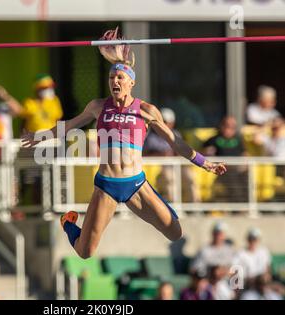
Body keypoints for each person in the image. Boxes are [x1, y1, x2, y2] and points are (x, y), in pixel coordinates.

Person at [21, 27, 226, 259]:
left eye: (120, 78)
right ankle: (68, 222)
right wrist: (39, 137)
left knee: (175, 232)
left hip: (136, 185)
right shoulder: (98, 106)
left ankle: (156, 205)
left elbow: (175, 142)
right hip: (106, 187)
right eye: (111, 77)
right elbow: (68, 125)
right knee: (85, 251)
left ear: (131, 83)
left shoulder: (146, 111)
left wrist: (204, 163)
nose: (114, 81)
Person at [143, 107, 200, 203]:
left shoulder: (176, 134)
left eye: (166, 122)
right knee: (170, 179)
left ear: (172, 123)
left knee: (190, 177)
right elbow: (144, 155)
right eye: (162, 121)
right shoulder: (150, 136)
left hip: (176, 165)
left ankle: (195, 207)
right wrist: (162, 154)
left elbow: (181, 151)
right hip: (161, 167)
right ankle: (174, 207)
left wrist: (176, 153)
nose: (163, 124)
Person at [202, 116, 248, 204]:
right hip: (222, 169)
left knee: (246, 179)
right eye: (227, 126)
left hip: (238, 169)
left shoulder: (238, 140)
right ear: (221, 126)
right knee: (233, 179)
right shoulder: (213, 139)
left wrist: (245, 165)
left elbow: (244, 154)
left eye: (232, 127)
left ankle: (246, 205)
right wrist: (207, 152)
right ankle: (239, 206)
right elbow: (201, 153)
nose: (229, 129)